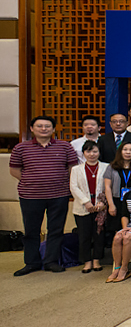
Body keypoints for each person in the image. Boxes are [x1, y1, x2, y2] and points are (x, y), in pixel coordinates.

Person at [10, 116, 80, 276]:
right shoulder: (21, 148)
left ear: (53, 129)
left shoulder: (65, 146)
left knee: (56, 229)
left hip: (59, 194)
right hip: (30, 196)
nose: (43, 129)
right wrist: (31, 181)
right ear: (32, 129)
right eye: (39, 126)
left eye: (47, 126)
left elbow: (72, 169)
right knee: (31, 230)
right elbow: (14, 170)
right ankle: (31, 262)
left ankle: (51, 261)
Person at [70, 141, 107, 273]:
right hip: (82, 207)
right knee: (84, 236)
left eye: (95, 151)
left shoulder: (106, 167)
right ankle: (87, 261)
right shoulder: (76, 169)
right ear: (83, 153)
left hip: (100, 207)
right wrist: (86, 202)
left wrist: (103, 202)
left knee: (99, 235)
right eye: (88, 151)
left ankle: (97, 260)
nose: (92, 154)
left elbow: (109, 186)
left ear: (99, 152)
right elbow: (73, 187)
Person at [103, 142, 131, 235]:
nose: (128, 152)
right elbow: (107, 187)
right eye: (125, 150)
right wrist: (111, 205)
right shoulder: (112, 167)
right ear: (120, 151)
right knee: (117, 231)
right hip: (116, 201)